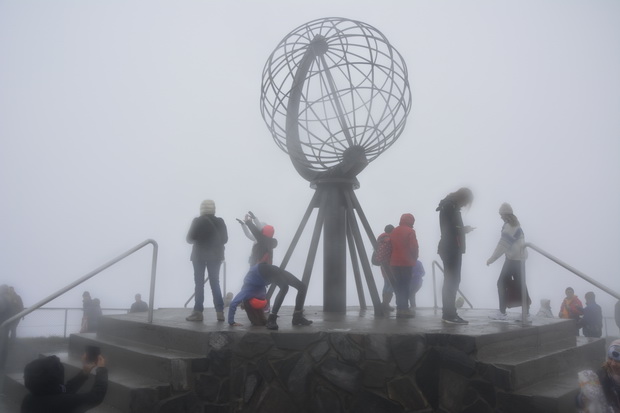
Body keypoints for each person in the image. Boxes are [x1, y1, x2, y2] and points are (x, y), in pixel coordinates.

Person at [228, 262, 313, 330]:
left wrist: (231, 322)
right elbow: (234, 304)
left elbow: (233, 303)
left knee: (298, 287)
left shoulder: (246, 291)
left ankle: (297, 317)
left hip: (262, 270)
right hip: (267, 270)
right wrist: (232, 322)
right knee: (292, 287)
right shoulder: (249, 292)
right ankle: (274, 319)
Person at [21, 353, 108, 413]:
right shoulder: (65, 403)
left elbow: (65, 390)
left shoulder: (28, 400)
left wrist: (83, 374)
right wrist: (101, 370)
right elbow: (96, 396)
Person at [436, 187, 475, 324]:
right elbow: (451, 228)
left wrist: (462, 230)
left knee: (451, 280)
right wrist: (464, 230)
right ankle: (449, 314)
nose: (465, 205)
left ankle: (449, 312)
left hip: (449, 247)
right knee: (452, 280)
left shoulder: (449, 205)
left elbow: (451, 228)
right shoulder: (450, 206)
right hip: (451, 247)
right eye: (466, 202)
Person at [186, 199, 228, 323]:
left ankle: (198, 312)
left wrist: (200, 238)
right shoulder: (220, 221)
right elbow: (225, 239)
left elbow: (189, 239)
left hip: (199, 255)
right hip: (215, 255)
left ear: (202, 209)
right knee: (215, 282)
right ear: (213, 209)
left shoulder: (197, 221)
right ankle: (219, 312)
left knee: (199, 283)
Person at [486, 202, 529, 320]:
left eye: (501, 214)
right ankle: (526, 311)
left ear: (506, 215)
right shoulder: (517, 225)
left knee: (501, 283)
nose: (500, 217)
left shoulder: (509, 226)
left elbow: (502, 245)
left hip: (513, 260)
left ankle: (502, 312)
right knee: (521, 284)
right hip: (520, 259)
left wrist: (491, 259)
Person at [576, 339, 620, 412]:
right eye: (610, 358)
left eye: (618, 360)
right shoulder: (601, 374)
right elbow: (581, 400)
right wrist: (581, 399)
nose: (613, 364)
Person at [389, 213, 419, 319]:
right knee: (405, 285)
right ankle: (404, 308)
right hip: (406, 262)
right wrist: (415, 257)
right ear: (410, 221)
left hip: (394, 263)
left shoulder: (394, 231)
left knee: (398, 284)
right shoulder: (410, 231)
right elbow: (413, 247)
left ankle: (400, 306)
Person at [372, 224, 394, 312]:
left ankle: (384, 303)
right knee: (392, 284)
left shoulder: (380, 239)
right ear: (391, 231)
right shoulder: (388, 239)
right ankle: (385, 304)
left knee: (386, 283)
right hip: (389, 264)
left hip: (383, 264)